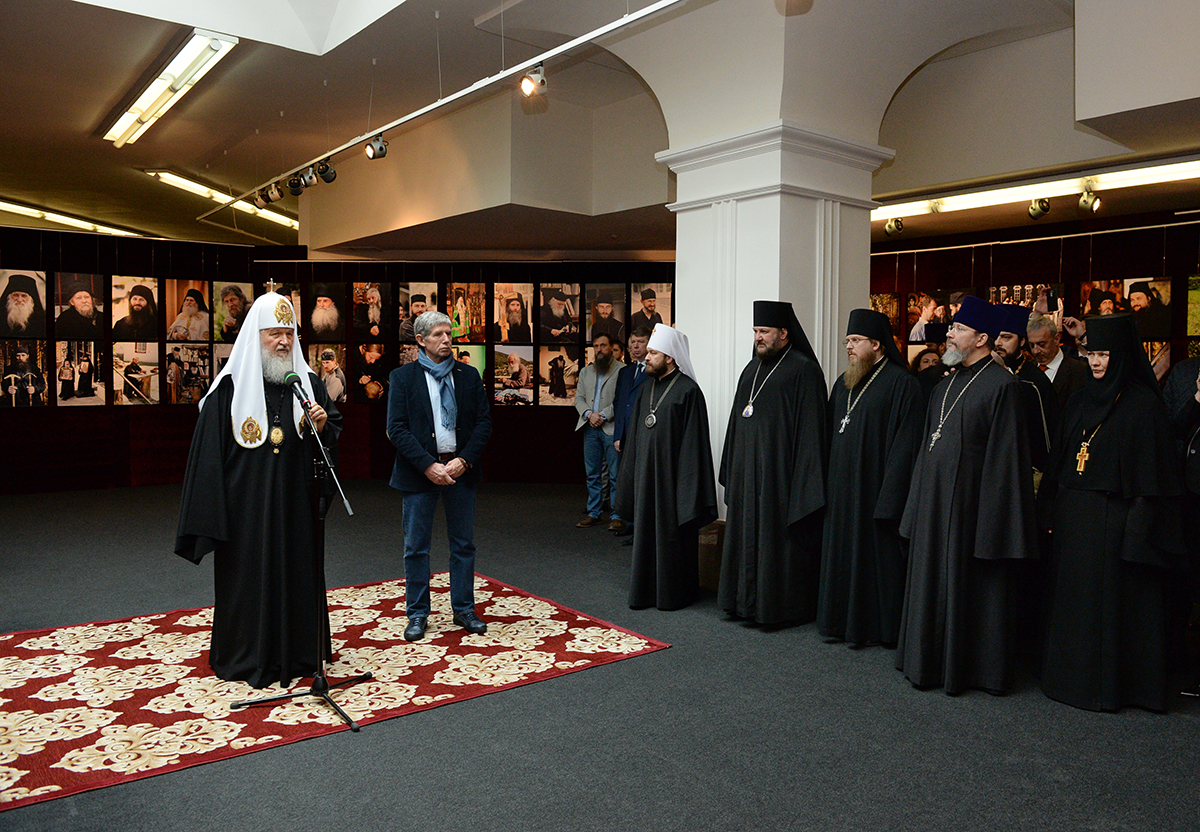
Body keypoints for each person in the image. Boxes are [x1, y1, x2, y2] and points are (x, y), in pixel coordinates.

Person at [174, 292, 340, 688]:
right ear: (256, 336)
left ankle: (300, 654)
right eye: (274, 333)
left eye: (289, 333)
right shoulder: (228, 391)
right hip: (245, 512)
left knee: (298, 576)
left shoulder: (309, 384)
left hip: (296, 508)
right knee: (248, 582)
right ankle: (246, 655)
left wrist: (321, 429)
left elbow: (331, 437)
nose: (283, 341)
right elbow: (207, 460)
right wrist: (214, 517)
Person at [1037, 314, 1183, 712]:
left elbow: (1153, 483)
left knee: (1111, 611)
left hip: (1116, 525)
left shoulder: (1143, 406)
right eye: (1091, 353)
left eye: (1104, 354)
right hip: (1073, 521)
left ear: (1121, 356)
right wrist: (1048, 514)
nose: (1097, 362)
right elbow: (1059, 462)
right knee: (1074, 607)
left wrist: (1136, 534)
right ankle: (1068, 681)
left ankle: (1109, 689)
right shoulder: (1080, 399)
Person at [895, 295, 1036, 695]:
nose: (950, 335)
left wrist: (992, 526)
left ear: (982, 338)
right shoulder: (944, 385)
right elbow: (928, 447)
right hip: (934, 505)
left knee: (969, 591)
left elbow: (1006, 463)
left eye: (958, 329)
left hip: (972, 512)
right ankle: (925, 661)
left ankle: (965, 670)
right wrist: (916, 507)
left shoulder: (1003, 386)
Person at [817, 309, 924, 647]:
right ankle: (838, 623)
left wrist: (889, 498)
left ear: (877, 344)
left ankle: (874, 628)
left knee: (874, 560)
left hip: (875, 491)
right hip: (841, 490)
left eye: (856, 340)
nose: (849, 346)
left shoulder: (902, 384)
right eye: (847, 341)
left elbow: (906, 447)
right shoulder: (844, 382)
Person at [718, 301, 828, 625]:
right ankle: (743, 603)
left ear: (783, 333)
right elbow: (736, 424)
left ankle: (775, 609)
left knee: (775, 544)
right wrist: (734, 469)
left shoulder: (804, 371)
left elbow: (812, 434)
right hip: (747, 476)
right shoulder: (751, 370)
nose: (758, 337)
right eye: (755, 331)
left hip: (781, 479)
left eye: (764, 331)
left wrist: (803, 484)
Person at [387, 309, 492, 641]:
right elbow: (396, 429)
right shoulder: (402, 377)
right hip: (420, 474)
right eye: (438, 335)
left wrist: (464, 460)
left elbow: (483, 424)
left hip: (460, 471)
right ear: (421, 340)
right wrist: (427, 465)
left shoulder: (468, 375)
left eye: (449, 333)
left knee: (463, 544)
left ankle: (464, 609)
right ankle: (417, 613)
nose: (447, 339)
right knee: (416, 547)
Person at [614, 325, 717, 611]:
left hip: (673, 483)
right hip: (646, 479)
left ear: (669, 357)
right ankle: (645, 591)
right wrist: (630, 479)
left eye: (653, 353)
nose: (646, 357)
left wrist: (687, 492)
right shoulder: (646, 388)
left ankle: (674, 594)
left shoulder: (688, 391)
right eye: (647, 352)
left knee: (672, 538)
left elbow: (694, 446)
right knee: (645, 535)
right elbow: (635, 438)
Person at [993, 303, 1054, 470]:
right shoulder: (985, 374)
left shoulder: (1034, 382)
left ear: (1022, 341)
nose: (998, 343)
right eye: (995, 336)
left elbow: (1045, 440)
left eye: (1006, 337)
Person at [575, 332, 626, 530]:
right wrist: (589, 414)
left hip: (611, 428)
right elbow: (579, 398)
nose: (599, 350)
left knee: (615, 474)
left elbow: (622, 400)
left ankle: (617, 515)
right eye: (596, 346)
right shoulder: (585, 372)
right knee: (593, 473)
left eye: (603, 345)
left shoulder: (622, 370)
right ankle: (594, 512)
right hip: (589, 427)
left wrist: (602, 415)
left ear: (611, 347)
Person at [1027, 314, 1088, 419]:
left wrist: (1083, 336)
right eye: (1032, 345)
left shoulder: (1080, 371)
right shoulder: (1027, 371)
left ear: (1056, 339)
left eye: (1042, 344)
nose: (1036, 351)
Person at [0, 273, 46, 338]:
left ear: (31, 299)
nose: (19, 300)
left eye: (24, 296)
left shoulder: (39, 319)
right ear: (9, 297)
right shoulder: (1, 315)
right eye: (15, 295)